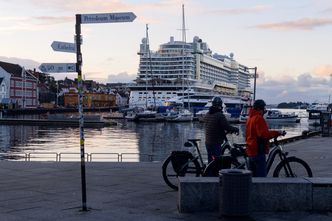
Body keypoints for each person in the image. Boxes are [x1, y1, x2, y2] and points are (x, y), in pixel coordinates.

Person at [245, 99, 283, 177]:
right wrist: (277, 133)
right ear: (259, 109)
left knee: (253, 178)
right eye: (263, 109)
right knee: (261, 179)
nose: (264, 111)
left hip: (251, 151)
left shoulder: (250, 118)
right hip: (258, 151)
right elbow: (264, 134)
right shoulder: (258, 118)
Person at [204, 97, 239, 163]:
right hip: (215, 142)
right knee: (217, 162)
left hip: (207, 141)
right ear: (220, 105)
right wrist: (235, 129)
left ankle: (209, 172)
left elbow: (213, 126)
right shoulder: (220, 115)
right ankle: (215, 173)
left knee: (211, 161)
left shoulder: (207, 114)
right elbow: (227, 127)